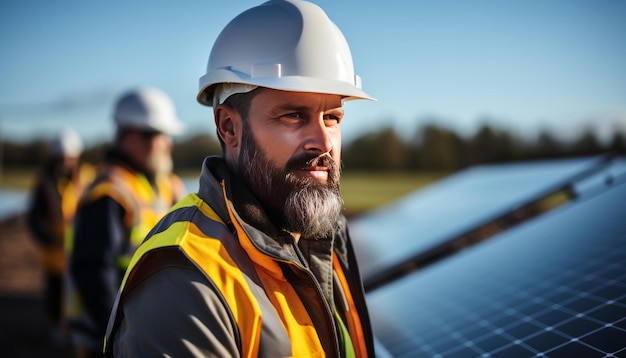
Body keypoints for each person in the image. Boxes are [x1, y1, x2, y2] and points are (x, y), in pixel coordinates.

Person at [105, 0, 375, 357]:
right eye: (294, 115)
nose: (324, 141)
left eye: (333, 117)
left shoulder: (326, 236)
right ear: (228, 126)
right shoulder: (185, 279)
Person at [67, 87, 187, 358]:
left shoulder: (165, 184)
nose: (168, 143)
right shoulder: (109, 192)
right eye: (160, 134)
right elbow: (94, 272)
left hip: (147, 328)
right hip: (111, 336)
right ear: (132, 136)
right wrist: (120, 334)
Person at [27, 128, 95, 336]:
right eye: (61, 158)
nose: (65, 163)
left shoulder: (90, 177)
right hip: (55, 255)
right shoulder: (45, 182)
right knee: (55, 294)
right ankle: (57, 329)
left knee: (83, 293)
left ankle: (79, 329)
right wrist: (48, 239)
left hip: (83, 250)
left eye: (69, 158)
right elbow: (35, 218)